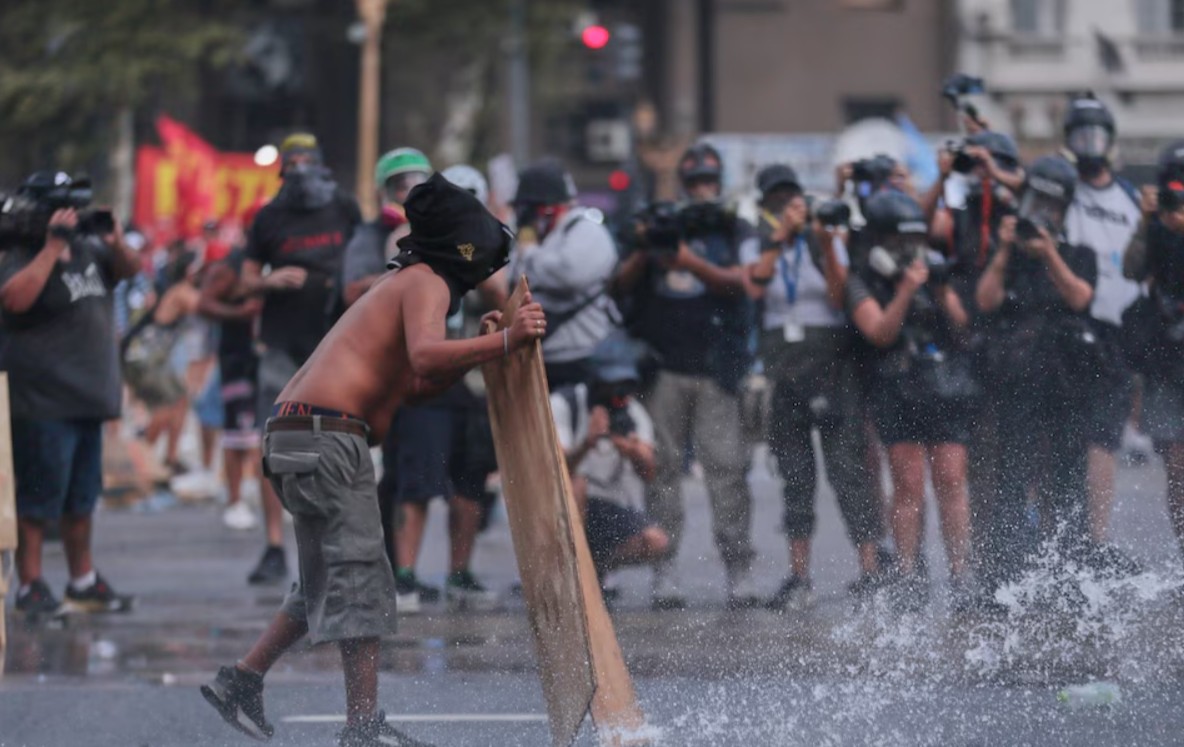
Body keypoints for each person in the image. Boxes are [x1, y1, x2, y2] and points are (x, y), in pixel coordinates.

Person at [200, 174, 542, 747]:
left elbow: (414, 382)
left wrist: (478, 351)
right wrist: (505, 342)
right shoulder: (425, 281)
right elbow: (427, 357)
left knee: (326, 578)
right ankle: (362, 727)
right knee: (361, 577)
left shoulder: (408, 282)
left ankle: (242, 678)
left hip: (300, 435)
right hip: (324, 436)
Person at [612, 142, 759, 610]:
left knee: (727, 469)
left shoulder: (735, 227)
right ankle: (665, 568)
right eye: (694, 182)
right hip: (664, 366)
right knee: (663, 471)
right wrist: (646, 246)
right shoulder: (661, 224)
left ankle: (738, 568)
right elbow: (618, 287)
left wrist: (689, 262)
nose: (702, 191)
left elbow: (746, 282)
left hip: (718, 368)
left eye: (709, 182)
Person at [743, 164, 882, 609]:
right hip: (784, 366)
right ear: (765, 205)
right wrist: (780, 235)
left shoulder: (824, 237)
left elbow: (839, 295)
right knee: (795, 477)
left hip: (829, 363)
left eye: (792, 198)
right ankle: (799, 577)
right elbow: (756, 286)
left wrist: (822, 241)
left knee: (848, 472)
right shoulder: (759, 239)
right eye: (776, 200)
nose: (786, 206)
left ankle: (871, 570)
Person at [0, 172, 140, 614]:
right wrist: (51, 248)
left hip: (87, 400)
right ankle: (30, 584)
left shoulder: (91, 248)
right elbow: (13, 300)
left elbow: (130, 272)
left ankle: (82, 580)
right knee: (38, 499)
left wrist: (115, 241)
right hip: (43, 400)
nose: (73, 216)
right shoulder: (21, 252)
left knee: (81, 500)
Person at [239, 132, 362, 585]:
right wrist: (269, 282)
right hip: (281, 344)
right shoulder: (269, 217)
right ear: (282, 172)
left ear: (322, 165)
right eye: (292, 164)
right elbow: (245, 278)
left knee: (336, 442)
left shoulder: (344, 208)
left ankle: (336, 543)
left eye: (308, 162)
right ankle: (274, 546)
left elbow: (366, 260)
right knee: (275, 443)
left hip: (334, 344)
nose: (300, 171)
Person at [847, 191, 977, 610]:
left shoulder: (932, 273)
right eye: (900, 243)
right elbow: (879, 332)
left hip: (943, 385)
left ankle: (961, 573)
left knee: (952, 479)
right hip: (894, 386)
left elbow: (963, 328)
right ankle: (907, 573)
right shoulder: (861, 278)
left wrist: (939, 291)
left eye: (914, 241)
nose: (909, 251)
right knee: (907, 484)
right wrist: (904, 290)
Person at [975, 156, 1098, 597]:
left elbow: (1082, 297)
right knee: (1012, 476)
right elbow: (985, 301)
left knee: (1067, 478)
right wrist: (1007, 250)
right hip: (1017, 378)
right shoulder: (1007, 254)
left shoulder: (1077, 252)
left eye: (1051, 205)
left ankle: (1071, 573)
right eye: (1035, 202)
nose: (1041, 213)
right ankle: (1004, 577)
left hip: (1066, 379)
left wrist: (1049, 253)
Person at [1060, 94, 1144, 575]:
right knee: (1061, 436)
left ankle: (1095, 540)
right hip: (1071, 327)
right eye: (1081, 136)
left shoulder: (1129, 197)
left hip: (1117, 331)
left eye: (1097, 136)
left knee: (1103, 440)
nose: (1089, 145)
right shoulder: (1066, 190)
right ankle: (1053, 534)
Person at [551, 332, 669, 592]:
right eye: (609, 385)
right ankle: (569, 571)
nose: (616, 394)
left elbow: (649, 473)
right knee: (577, 483)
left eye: (623, 385)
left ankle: (596, 567)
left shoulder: (632, 413)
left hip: (608, 508)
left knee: (655, 542)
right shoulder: (565, 404)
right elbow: (556, 470)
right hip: (561, 508)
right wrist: (587, 442)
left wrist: (635, 452)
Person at [1122, 140, 1184, 563]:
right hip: (1166, 358)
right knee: (1178, 469)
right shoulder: (1156, 224)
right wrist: (1146, 223)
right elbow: (1132, 270)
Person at [507, 159, 619, 390]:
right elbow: (511, 280)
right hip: (544, 361)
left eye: (525, 207)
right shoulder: (542, 239)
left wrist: (529, 256)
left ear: (546, 207)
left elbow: (568, 274)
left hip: (585, 361)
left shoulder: (586, 231)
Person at [198, 243, 263, 531]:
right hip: (238, 359)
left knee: (271, 431)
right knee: (238, 433)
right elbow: (204, 303)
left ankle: (271, 496)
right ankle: (235, 500)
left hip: (269, 358)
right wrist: (238, 313)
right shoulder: (231, 266)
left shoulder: (280, 260)